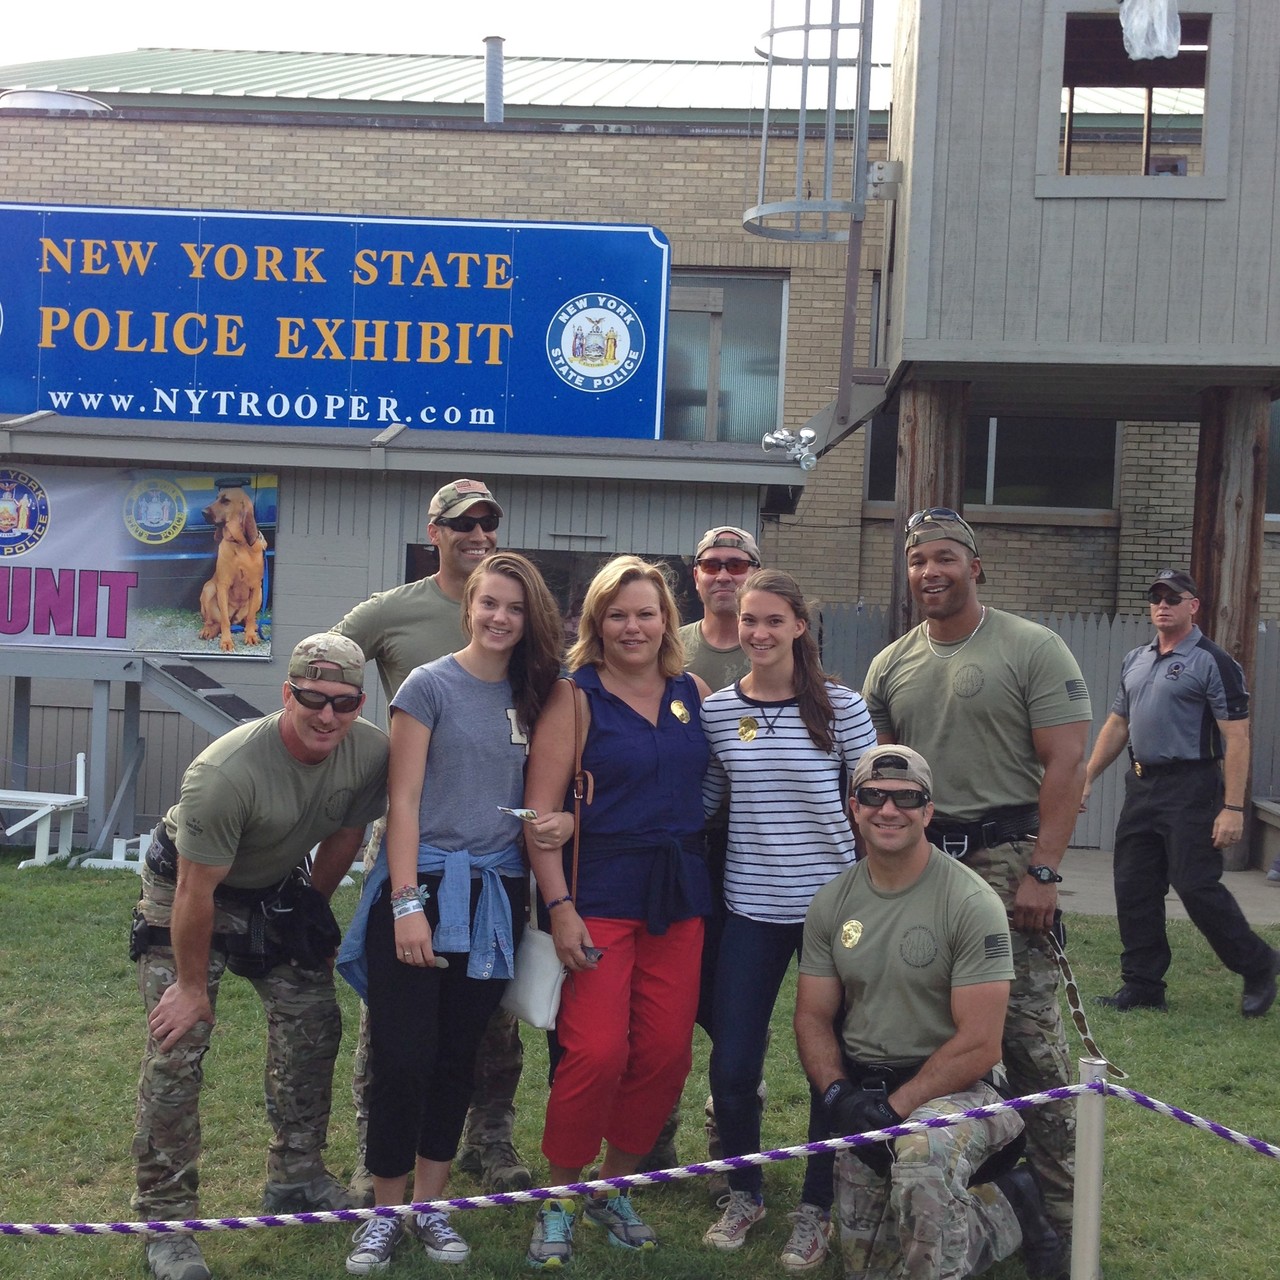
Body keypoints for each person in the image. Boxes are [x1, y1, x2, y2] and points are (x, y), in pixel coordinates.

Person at [861, 507, 1090, 1271]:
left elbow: (1067, 765)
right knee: (932, 1034)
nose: (931, 570)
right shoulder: (891, 664)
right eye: (919, 558)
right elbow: (881, 779)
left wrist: (1045, 871)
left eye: (947, 557)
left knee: (1027, 1042)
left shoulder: (1031, 647)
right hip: (923, 864)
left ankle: (1062, 1214)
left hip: (1010, 859)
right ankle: (975, 1188)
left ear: (976, 565)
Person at [130, 634, 389, 1280]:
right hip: (188, 892)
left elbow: (349, 831)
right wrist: (191, 987)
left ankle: (296, 1176)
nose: (327, 716)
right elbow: (195, 893)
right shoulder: (226, 774)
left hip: (275, 887)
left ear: (359, 702)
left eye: (343, 702)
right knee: (177, 1045)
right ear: (287, 694)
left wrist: (309, 907)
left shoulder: (369, 751)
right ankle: (167, 1221)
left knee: (314, 1023)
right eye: (312, 699)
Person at [336, 553, 564, 1272]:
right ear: (469, 607)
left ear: (530, 621)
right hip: (423, 885)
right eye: (489, 603)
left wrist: (550, 823)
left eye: (515, 608)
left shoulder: (537, 696)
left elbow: (526, 792)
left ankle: (430, 1212)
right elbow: (403, 801)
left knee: (454, 1060)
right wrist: (406, 904)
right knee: (401, 1058)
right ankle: (384, 1213)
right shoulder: (427, 685)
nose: (500, 618)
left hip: (493, 898)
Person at [795, 744, 1058, 1280]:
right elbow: (812, 1018)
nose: (888, 810)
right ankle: (998, 1208)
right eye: (873, 796)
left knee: (918, 1159)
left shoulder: (970, 901)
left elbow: (980, 1043)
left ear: (928, 812)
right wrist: (838, 1095)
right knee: (871, 1269)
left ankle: (1007, 1198)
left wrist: (898, 1108)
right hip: (868, 1093)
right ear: (854, 806)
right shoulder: (831, 902)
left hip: (960, 1091)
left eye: (906, 798)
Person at [521, 555, 713, 1268]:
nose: (633, 626)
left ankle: (615, 1187)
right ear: (596, 624)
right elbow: (539, 817)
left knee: (665, 1053)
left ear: (667, 619)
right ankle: (560, 1197)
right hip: (597, 893)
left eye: (646, 612)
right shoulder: (575, 697)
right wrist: (560, 907)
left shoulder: (691, 688)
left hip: (679, 893)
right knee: (597, 1052)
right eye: (618, 613)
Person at [700, 569, 876, 1272]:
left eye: (774, 620)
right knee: (733, 1064)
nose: (760, 634)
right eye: (749, 621)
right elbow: (707, 800)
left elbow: (873, 807)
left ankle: (816, 1205)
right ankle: (744, 1190)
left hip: (832, 917)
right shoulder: (719, 711)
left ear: (800, 626)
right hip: (749, 908)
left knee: (824, 1066)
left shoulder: (841, 706)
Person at [1081, 569, 1280, 1018]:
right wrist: (1088, 776)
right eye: (1156, 597)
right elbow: (1118, 724)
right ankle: (1143, 984)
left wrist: (1232, 807)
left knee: (1195, 885)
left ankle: (1258, 963)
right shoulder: (1136, 658)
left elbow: (1238, 737)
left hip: (1192, 786)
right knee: (1134, 884)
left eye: (1173, 597)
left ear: (1194, 605)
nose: (1162, 605)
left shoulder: (1213, 661)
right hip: (1142, 785)